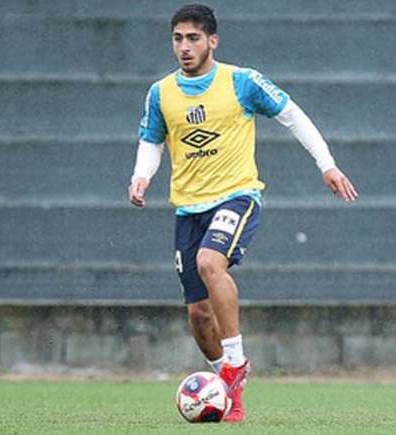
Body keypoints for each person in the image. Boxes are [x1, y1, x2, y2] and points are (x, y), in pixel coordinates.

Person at [128, 3, 357, 422]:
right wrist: (141, 176)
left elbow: (292, 115)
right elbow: (151, 140)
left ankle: (234, 362)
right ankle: (228, 389)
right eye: (178, 38)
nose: (184, 46)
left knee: (210, 262)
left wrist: (326, 164)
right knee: (198, 315)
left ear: (212, 40)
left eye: (193, 38)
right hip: (188, 209)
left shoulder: (242, 82)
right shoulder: (161, 92)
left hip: (237, 196)